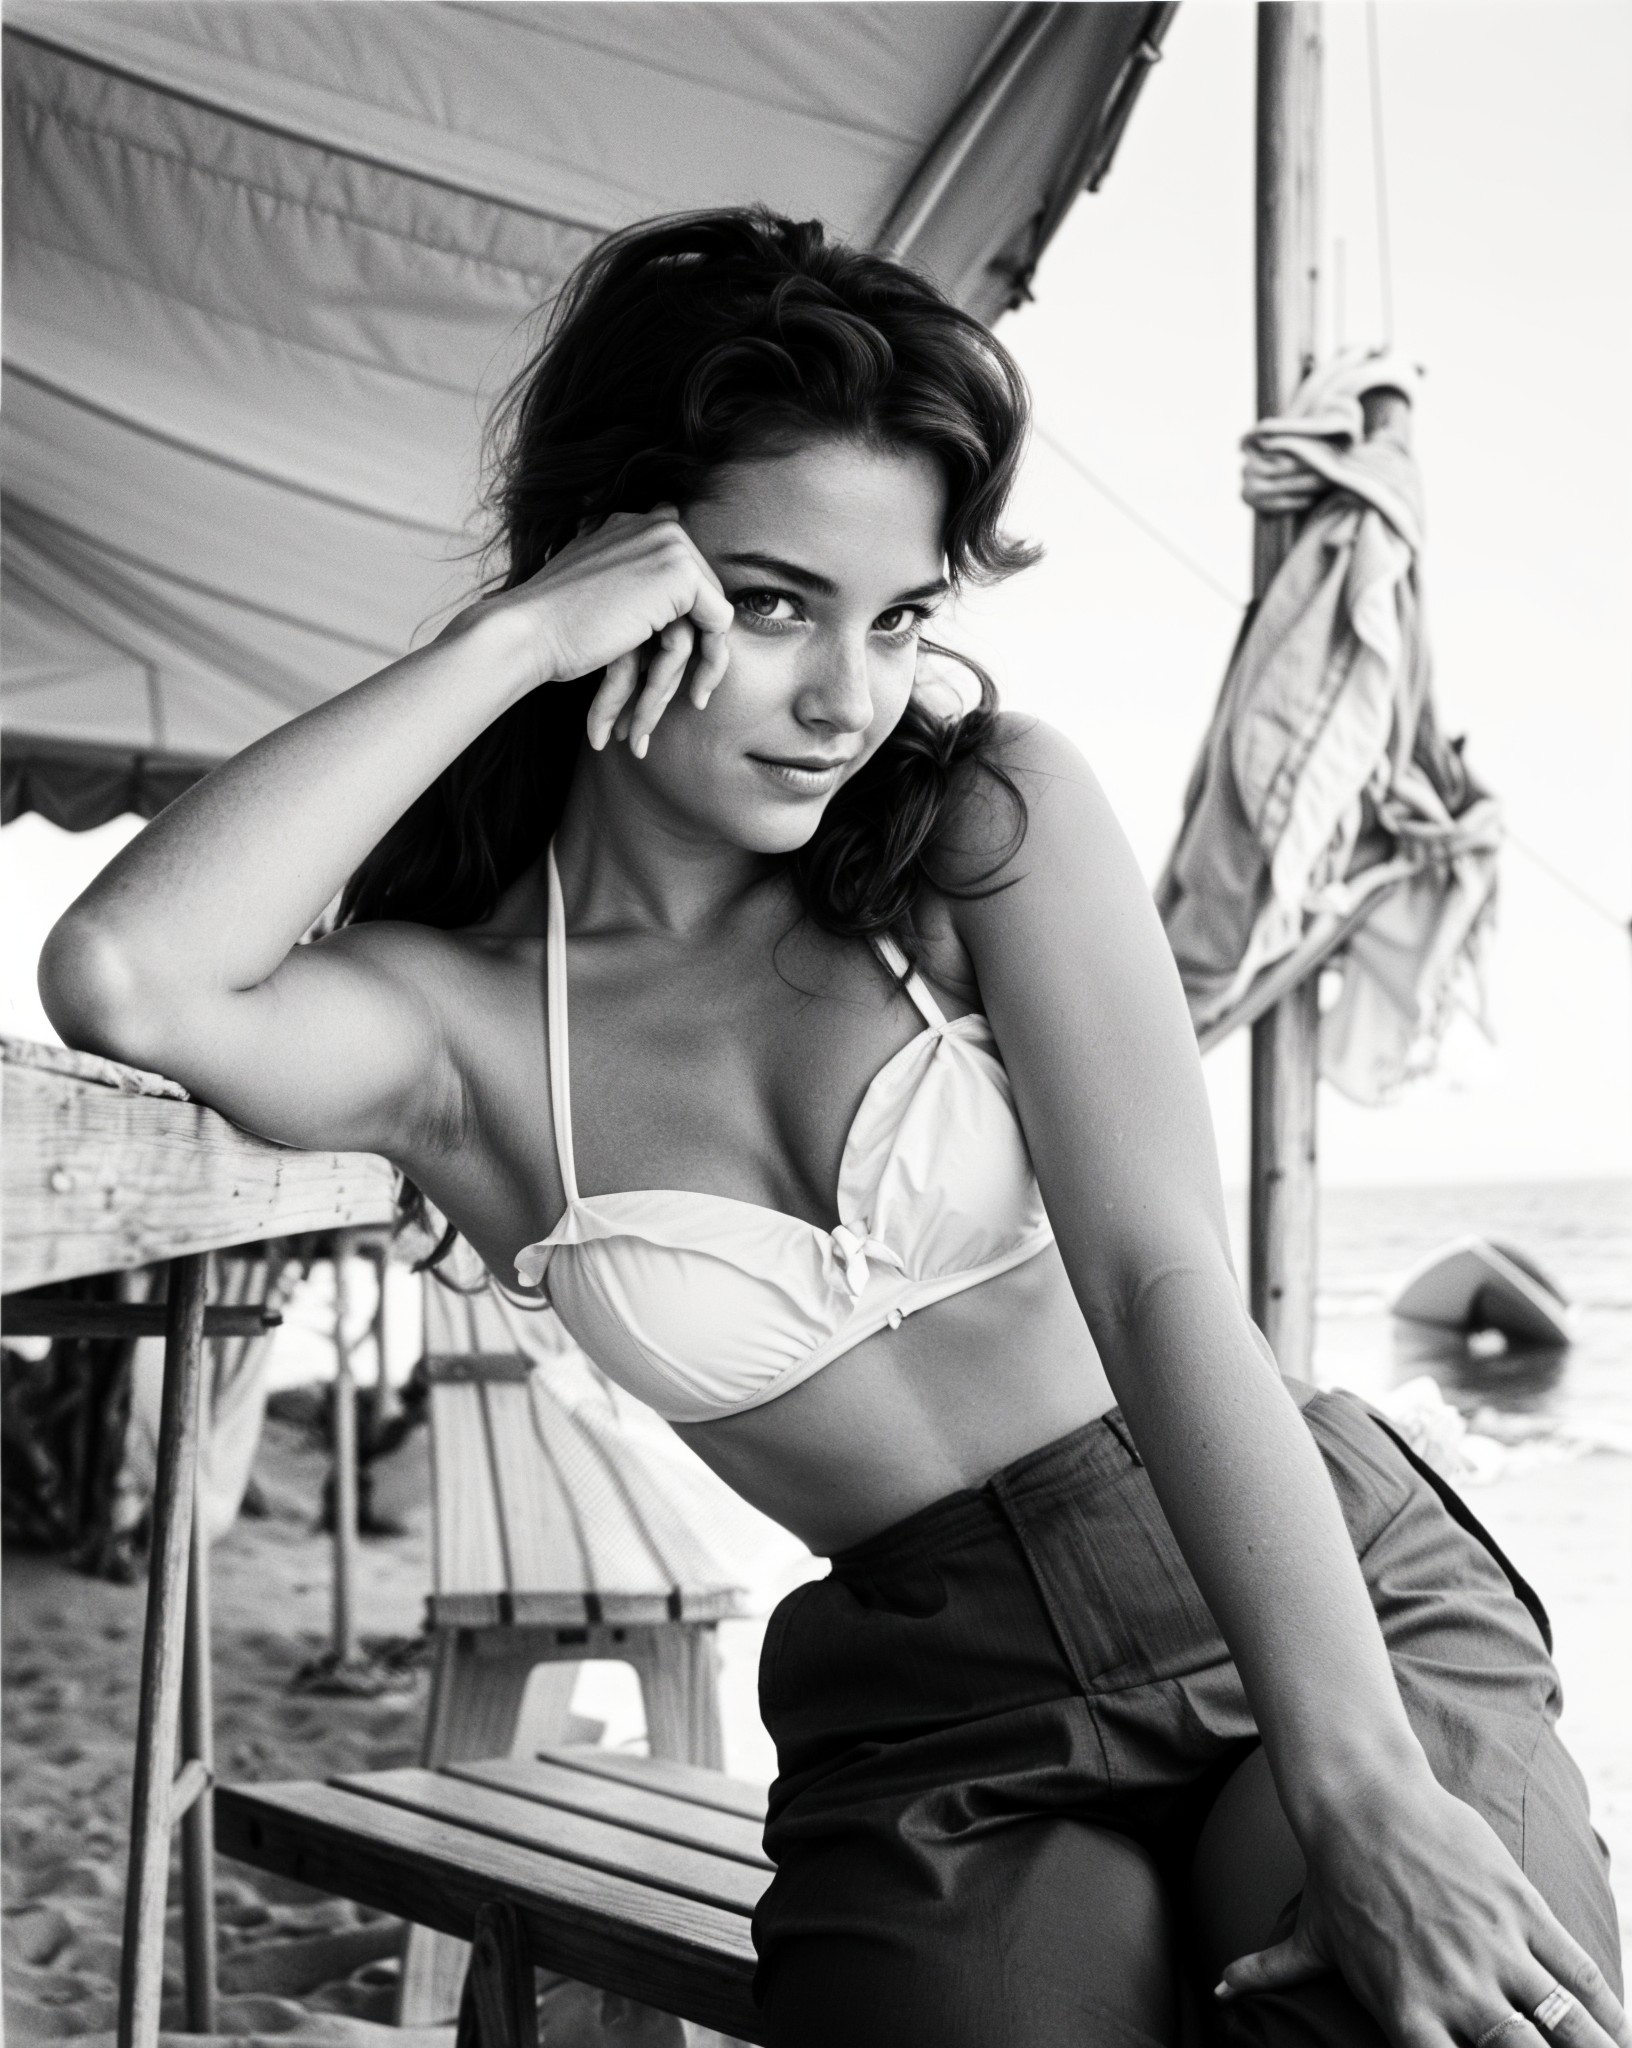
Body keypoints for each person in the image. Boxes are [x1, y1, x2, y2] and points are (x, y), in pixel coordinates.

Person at [41, 208, 1623, 2048]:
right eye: (775, 602)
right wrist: (515, 640)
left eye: (902, 617)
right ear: (619, 564)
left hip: (1301, 1586)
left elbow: (1161, 1269)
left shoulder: (975, 827)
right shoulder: (460, 1029)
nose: (847, 700)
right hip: (941, 1714)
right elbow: (131, 978)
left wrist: (1362, 1787)